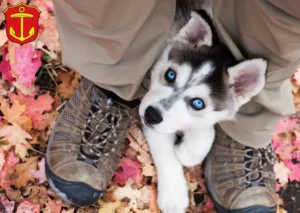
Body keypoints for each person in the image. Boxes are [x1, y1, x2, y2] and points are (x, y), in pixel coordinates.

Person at [45, 0, 300, 212]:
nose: (161, 106)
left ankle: (247, 126)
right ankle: (111, 74)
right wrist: (169, 168)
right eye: (170, 76)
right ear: (188, 36)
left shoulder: (232, 89)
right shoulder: (186, 43)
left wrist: (202, 134)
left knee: (278, 14)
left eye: (197, 103)